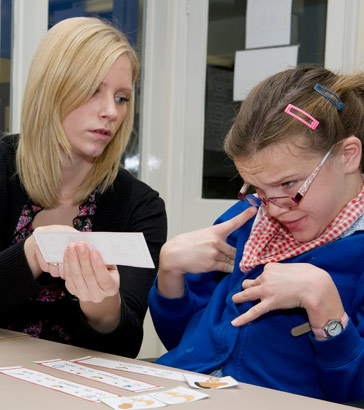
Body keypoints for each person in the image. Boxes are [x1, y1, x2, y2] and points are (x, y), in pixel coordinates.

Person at [148, 64, 364, 403]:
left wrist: (328, 310)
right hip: (182, 391)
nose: (273, 208)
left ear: (348, 156)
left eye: (289, 185)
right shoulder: (248, 218)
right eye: (258, 189)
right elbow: (186, 344)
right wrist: (170, 275)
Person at [0, 16, 167, 358]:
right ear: (52, 89)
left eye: (122, 98)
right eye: (93, 90)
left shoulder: (141, 206)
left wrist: (103, 306)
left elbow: (124, 347)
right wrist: (32, 254)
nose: (110, 112)